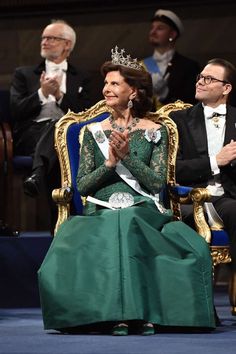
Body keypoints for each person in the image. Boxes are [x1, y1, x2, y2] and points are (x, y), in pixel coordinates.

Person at [38, 47, 215, 335]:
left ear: (133, 91)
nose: (106, 89)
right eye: (106, 83)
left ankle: (142, 313)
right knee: (116, 225)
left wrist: (128, 157)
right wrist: (109, 163)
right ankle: (114, 315)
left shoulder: (155, 130)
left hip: (144, 211)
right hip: (99, 211)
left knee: (133, 224)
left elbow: (157, 184)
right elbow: (82, 185)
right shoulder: (92, 132)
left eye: (114, 83)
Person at [10, 19, 91, 228]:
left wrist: (59, 95)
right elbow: (15, 111)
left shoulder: (83, 77)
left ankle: (37, 175)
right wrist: (42, 93)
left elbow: (87, 113)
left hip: (69, 135)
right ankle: (62, 225)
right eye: (43, 38)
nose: (45, 41)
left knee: (59, 129)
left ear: (67, 44)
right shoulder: (24, 74)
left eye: (52, 38)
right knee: (55, 131)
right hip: (31, 135)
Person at [170, 58, 236, 274]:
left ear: (226, 88)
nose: (200, 82)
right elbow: (173, 169)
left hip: (228, 196)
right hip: (191, 196)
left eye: (209, 79)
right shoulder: (178, 120)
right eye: (201, 77)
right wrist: (216, 161)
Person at [142, 9, 199, 108]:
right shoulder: (140, 65)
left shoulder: (189, 67)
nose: (153, 32)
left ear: (172, 34)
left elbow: (191, 103)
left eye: (160, 28)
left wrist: (165, 95)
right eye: (152, 28)